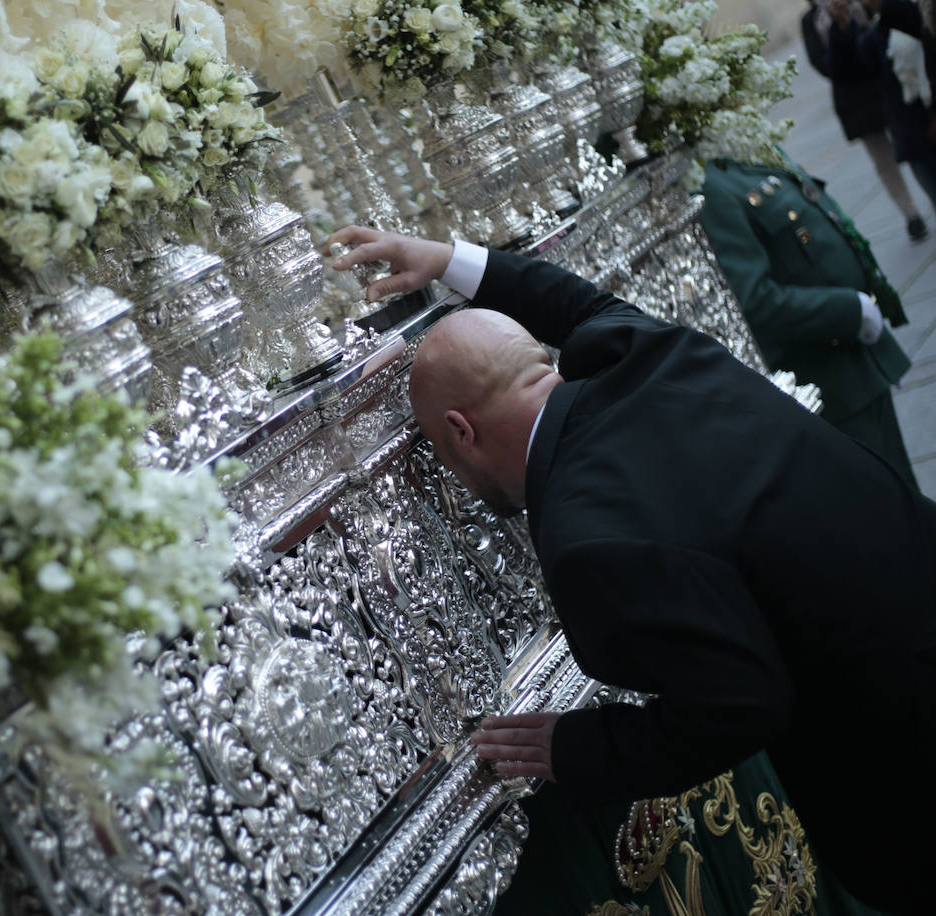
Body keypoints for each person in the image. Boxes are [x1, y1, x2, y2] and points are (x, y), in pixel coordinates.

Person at [325, 224, 936, 916]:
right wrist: (448, 260)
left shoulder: (590, 541)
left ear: (461, 432)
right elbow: (576, 304)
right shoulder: (645, 349)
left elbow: (742, 703)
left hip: (903, 745)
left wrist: (576, 748)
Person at [699, 157, 919, 487]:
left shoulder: (739, 154)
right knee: (886, 513)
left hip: (856, 360)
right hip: (827, 381)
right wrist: (848, 311)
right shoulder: (711, 186)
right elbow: (753, 299)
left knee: (905, 496)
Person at [802, 0, 928, 240]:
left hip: (886, 83)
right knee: (883, 159)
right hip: (855, 100)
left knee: (914, 145)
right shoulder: (812, 21)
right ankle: (910, 214)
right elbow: (824, 64)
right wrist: (841, 29)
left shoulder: (861, 4)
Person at [829, 0, 936, 211]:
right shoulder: (875, 33)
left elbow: (909, 19)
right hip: (913, 134)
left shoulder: (913, 10)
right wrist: (842, 27)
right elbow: (849, 73)